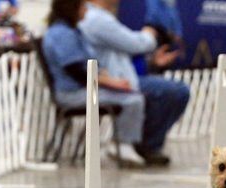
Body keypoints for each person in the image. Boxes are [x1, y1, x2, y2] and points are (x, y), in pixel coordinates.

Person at [79, 0, 190, 166]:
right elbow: (138, 44)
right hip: (111, 83)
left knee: (172, 90)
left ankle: (143, 144)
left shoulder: (99, 17)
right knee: (176, 91)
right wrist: (151, 29)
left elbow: (119, 58)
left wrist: (151, 63)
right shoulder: (97, 19)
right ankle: (145, 145)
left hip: (120, 79)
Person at [42, 0, 149, 168]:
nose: (86, 10)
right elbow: (78, 72)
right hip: (72, 93)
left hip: (82, 88)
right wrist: (113, 83)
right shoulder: (61, 34)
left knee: (132, 96)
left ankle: (124, 142)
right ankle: (123, 143)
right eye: (83, 6)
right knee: (133, 100)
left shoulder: (71, 31)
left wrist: (107, 78)